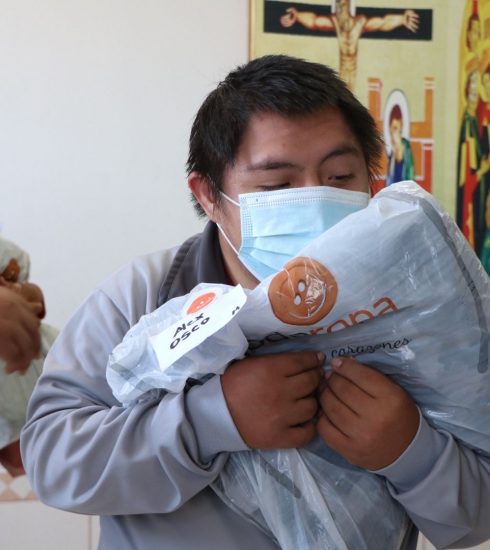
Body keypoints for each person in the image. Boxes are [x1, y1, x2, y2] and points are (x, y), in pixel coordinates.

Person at [21, 55, 490, 549]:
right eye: (276, 186)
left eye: (339, 177)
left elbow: (477, 519)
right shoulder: (143, 297)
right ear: (209, 194)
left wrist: (411, 453)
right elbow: (53, 462)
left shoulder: (419, 305)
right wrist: (211, 420)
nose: (315, 201)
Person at [279, 0, 419, 90]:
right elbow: (314, 21)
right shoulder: (334, 22)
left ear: (349, 7)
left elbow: (383, 23)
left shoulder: (360, 23)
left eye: (344, 6)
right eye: (339, 6)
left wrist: (402, 19)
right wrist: (297, 16)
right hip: (341, 74)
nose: (341, 10)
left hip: (353, 73)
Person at [385, 103, 415, 186]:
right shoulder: (392, 154)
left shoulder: (406, 149)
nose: (393, 134)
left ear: (401, 128)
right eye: (391, 129)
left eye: (395, 128)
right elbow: (389, 181)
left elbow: (410, 178)